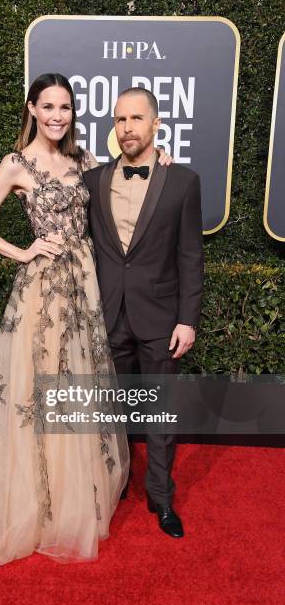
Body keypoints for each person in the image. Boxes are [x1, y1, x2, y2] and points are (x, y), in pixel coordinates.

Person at [0, 74, 172, 569]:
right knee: (34, 393)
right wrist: (22, 251)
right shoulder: (16, 164)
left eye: (66, 108)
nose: (58, 116)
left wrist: (156, 159)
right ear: (32, 109)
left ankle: (71, 495)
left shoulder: (85, 162)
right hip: (40, 293)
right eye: (49, 106)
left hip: (86, 287)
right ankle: (32, 500)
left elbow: (127, 178)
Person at [83, 87, 204, 539]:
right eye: (119, 120)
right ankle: (111, 491)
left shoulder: (183, 181)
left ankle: (161, 496)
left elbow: (190, 255)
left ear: (156, 124)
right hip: (108, 314)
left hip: (161, 318)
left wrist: (187, 319)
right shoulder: (93, 180)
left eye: (136, 118)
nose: (127, 128)